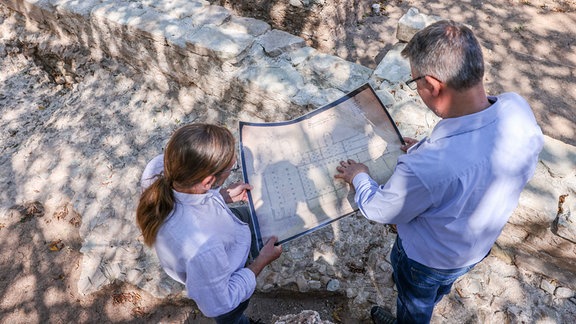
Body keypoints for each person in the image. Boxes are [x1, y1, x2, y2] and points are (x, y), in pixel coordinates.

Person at [334, 20, 543, 323]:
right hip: (473, 249)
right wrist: (423, 148)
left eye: (414, 83)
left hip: (425, 259)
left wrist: (360, 176)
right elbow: (472, 160)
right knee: (441, 287)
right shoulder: (517, 108)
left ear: (432, 85)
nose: (417, 89)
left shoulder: (428, 167)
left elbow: (380, 210)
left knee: (414, 302)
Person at [136, 123, 282, 324]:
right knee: (233, 318)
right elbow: (221, 302)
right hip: (225, 290)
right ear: (207, 182)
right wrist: (260, 262)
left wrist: (222, 196)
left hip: (221, 234)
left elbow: (189, 199)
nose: (234, 170)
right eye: (232, 169)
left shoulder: (161, 168)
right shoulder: (204, 247)